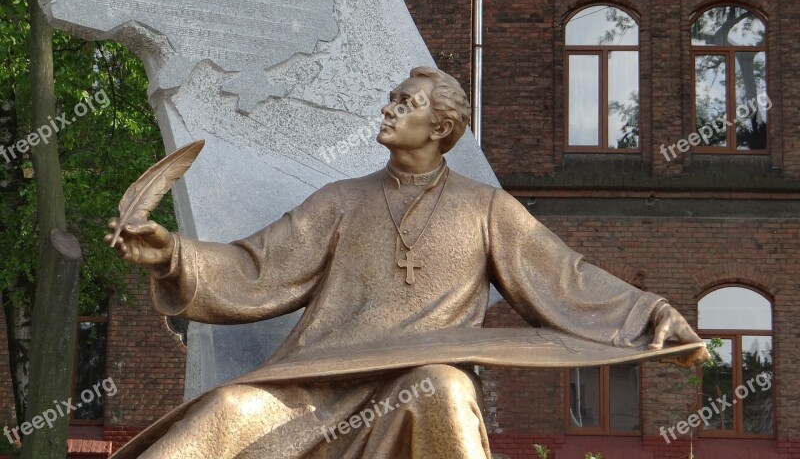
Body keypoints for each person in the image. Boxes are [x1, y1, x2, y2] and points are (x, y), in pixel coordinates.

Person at [106, 66, 708, 459]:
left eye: (405, 102)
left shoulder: (487, 209)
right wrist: (172, 253)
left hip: (410, 388)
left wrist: (647, 312)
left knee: (444, 388)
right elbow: (255, 268)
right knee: (224, 413)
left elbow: (565, 276)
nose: (389, 110)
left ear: (439, 125)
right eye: (391, 99)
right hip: (316, 392)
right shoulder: (342, 200)